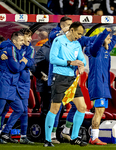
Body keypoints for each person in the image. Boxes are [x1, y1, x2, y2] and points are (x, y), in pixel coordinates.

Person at [44, 21, 87, 147]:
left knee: (82, 107)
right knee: (55, 109)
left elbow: (82, 58)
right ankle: (47, 140)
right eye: (78, 33)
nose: (80, 36)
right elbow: (52, 59)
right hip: (59, 78)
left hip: (72, 80)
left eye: (81, 34)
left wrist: (81, 64)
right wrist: (70, 62)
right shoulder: (58, 41)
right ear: (72, 30)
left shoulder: (77, 44)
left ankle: (74, 137)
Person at [32, 16, 73, 144]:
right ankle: (44, 135)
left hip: (58, 83)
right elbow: (33, 65)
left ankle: (53, 134)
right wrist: (41, 75)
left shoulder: (63, 47)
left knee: (59, 108)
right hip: (45, 85)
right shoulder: (45, 49)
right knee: (46, 110)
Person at [0, 28, 35, 144]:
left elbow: (31, 62)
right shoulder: (10, 46)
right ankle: (3, 133)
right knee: (3, 109)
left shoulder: (30, 49)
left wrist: (25, 62)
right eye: (28, 36)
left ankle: (21, 136)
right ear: (20, 37)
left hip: (21, 84)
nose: (30, 39)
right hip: (10, 82)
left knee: (22, 109)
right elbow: (4, 47)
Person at [85, 28, 116, 145]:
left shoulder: (105, 50)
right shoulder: (95, 49)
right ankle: (94, 138)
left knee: (100, 111)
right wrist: (104, 33)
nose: (109, 41)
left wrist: (115, 36)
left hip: (103, 86)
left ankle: (94, 137)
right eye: (107, 39)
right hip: (98, 85)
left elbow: (112, 42)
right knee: (98, 111)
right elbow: (99, 41)